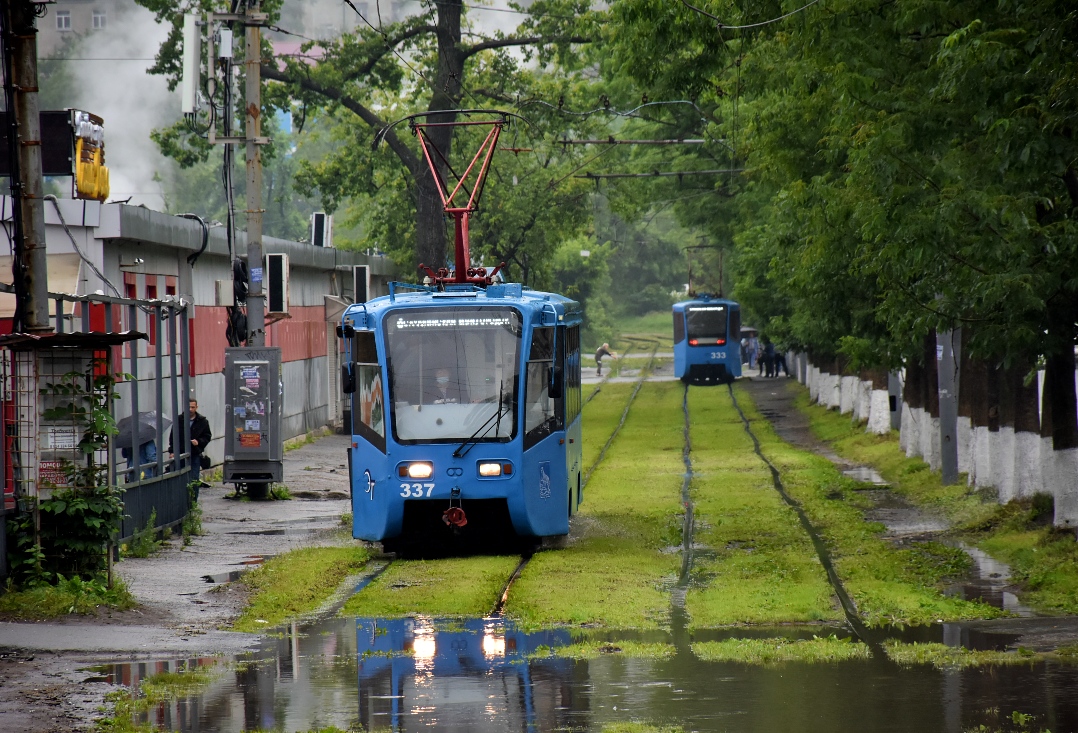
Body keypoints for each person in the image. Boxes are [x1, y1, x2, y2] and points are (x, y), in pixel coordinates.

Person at [170, 398, 212, 502]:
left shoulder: (202, 421)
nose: (190, 409)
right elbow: (173, 436)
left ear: (196, 407)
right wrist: (172, 451)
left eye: (193, 407)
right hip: (180, 453)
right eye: (188, 407)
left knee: (194, 478)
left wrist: (199, 442)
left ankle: (192, 502)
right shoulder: (179, 420)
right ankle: (181, 502)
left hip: (194, 453)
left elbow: (207, 436)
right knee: (179, 479)